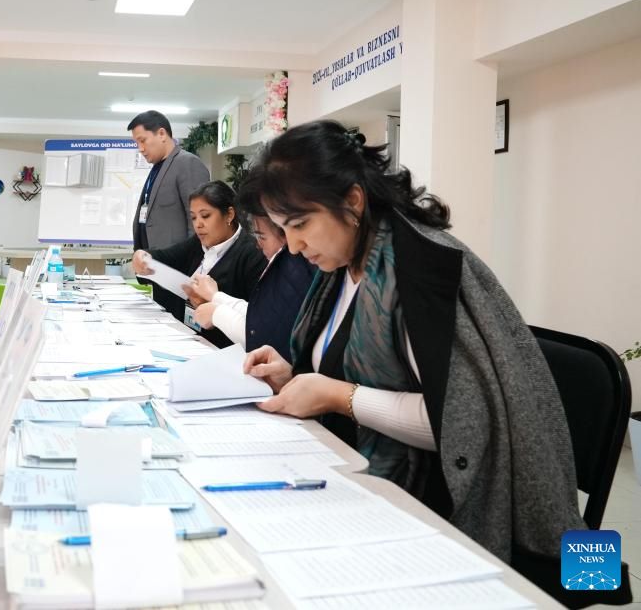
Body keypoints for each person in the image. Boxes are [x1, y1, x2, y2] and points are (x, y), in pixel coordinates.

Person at [239, 119, 590, 600]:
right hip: (367, 475)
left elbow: (463, 427)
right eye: (283, 230)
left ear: (353, 201)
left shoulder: (417, 270)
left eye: (300, 225)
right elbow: (347, 366)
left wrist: (338, 396)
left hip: (441, 502)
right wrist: (295, 376)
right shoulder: (343, 263)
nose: (294, 246)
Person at [131, 181, 265, 347]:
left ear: (229, 215)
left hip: (224, 350)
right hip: (187, 339)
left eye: (205, 216)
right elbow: (167, 257)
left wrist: (212, 304)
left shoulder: (252, 253)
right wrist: (143, 257)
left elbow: (256, 321)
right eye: (193, 217)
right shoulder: (198, 243)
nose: (198, 224)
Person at [191, 211, 315, 361]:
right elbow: (257, 316)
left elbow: (261, 335)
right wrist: (216, 298)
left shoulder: (295, 272)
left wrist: (217, 313)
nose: (258, 244)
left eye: (262, 237)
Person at [129, 110, 210, 251]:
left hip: (177, 263)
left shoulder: (187, 163)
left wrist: (191, 260)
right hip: (150, 261)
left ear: (161, 134)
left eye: (142, 141)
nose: (140, 149)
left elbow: (198, 221)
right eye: (137, 143)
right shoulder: (157, 167)